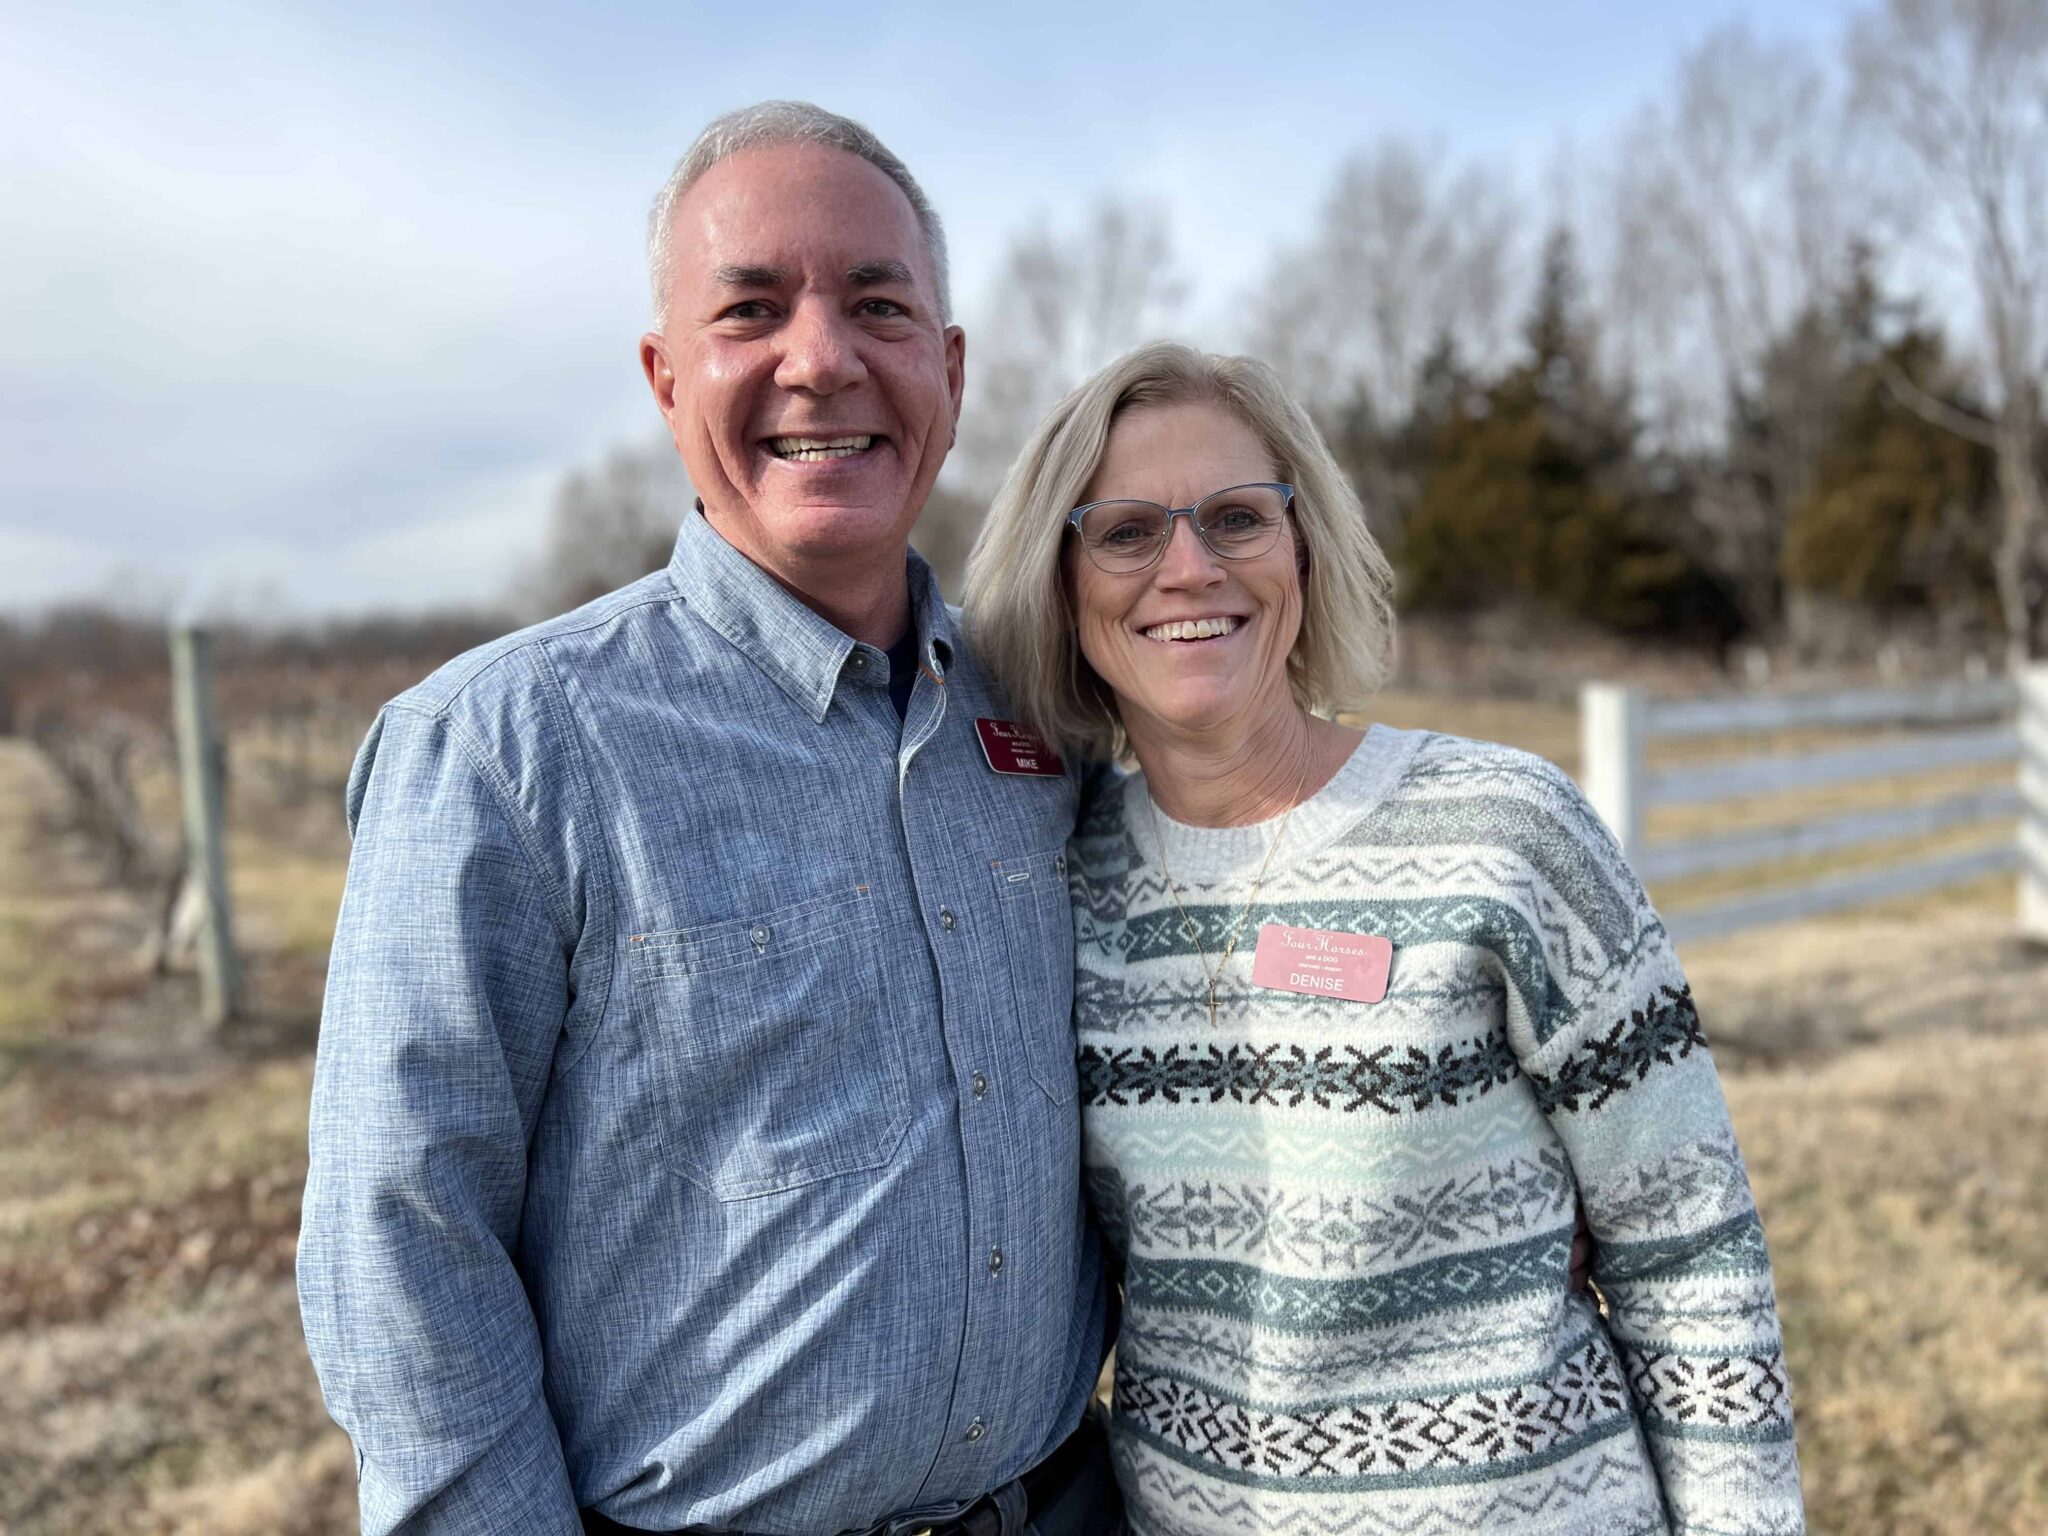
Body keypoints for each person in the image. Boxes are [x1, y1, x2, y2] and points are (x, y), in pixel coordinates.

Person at [298, 102, 1119, 1536]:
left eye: (879, 303)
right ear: (666, 378)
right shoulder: (505, 748)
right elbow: (401, 1247)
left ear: (950, 368)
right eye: (752, 309)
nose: (822, 357)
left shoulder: (1052, 705)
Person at [961, 342, 1804, 1535]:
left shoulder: (1503, 827)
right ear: (1060, 580)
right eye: (1127, 531)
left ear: (1305, 548)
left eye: (1237, 518)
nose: (1188, 567)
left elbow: (1687, 1249)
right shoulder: (1060, 876)